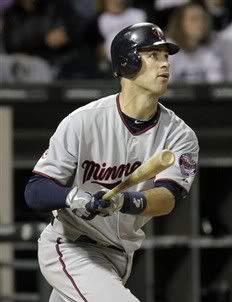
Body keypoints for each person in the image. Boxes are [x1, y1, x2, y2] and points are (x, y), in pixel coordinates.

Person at [24, 22, 199, 302]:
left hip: (119, 255)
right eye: (153, 55)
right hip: (71, 245)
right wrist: (74, 198)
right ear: (127, 61)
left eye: (166, 56)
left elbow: (169, 198)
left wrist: (124, 201)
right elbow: (35, 190)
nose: (164, 64)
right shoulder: (84, 121)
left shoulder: (180, 134)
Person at [166, 3, 224, 83]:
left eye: (203, 18)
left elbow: (216, 85)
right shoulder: (169, 48)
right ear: (180, 23)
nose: (200, 23)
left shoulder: (211, 47)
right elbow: (166, 86)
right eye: (194, 19)